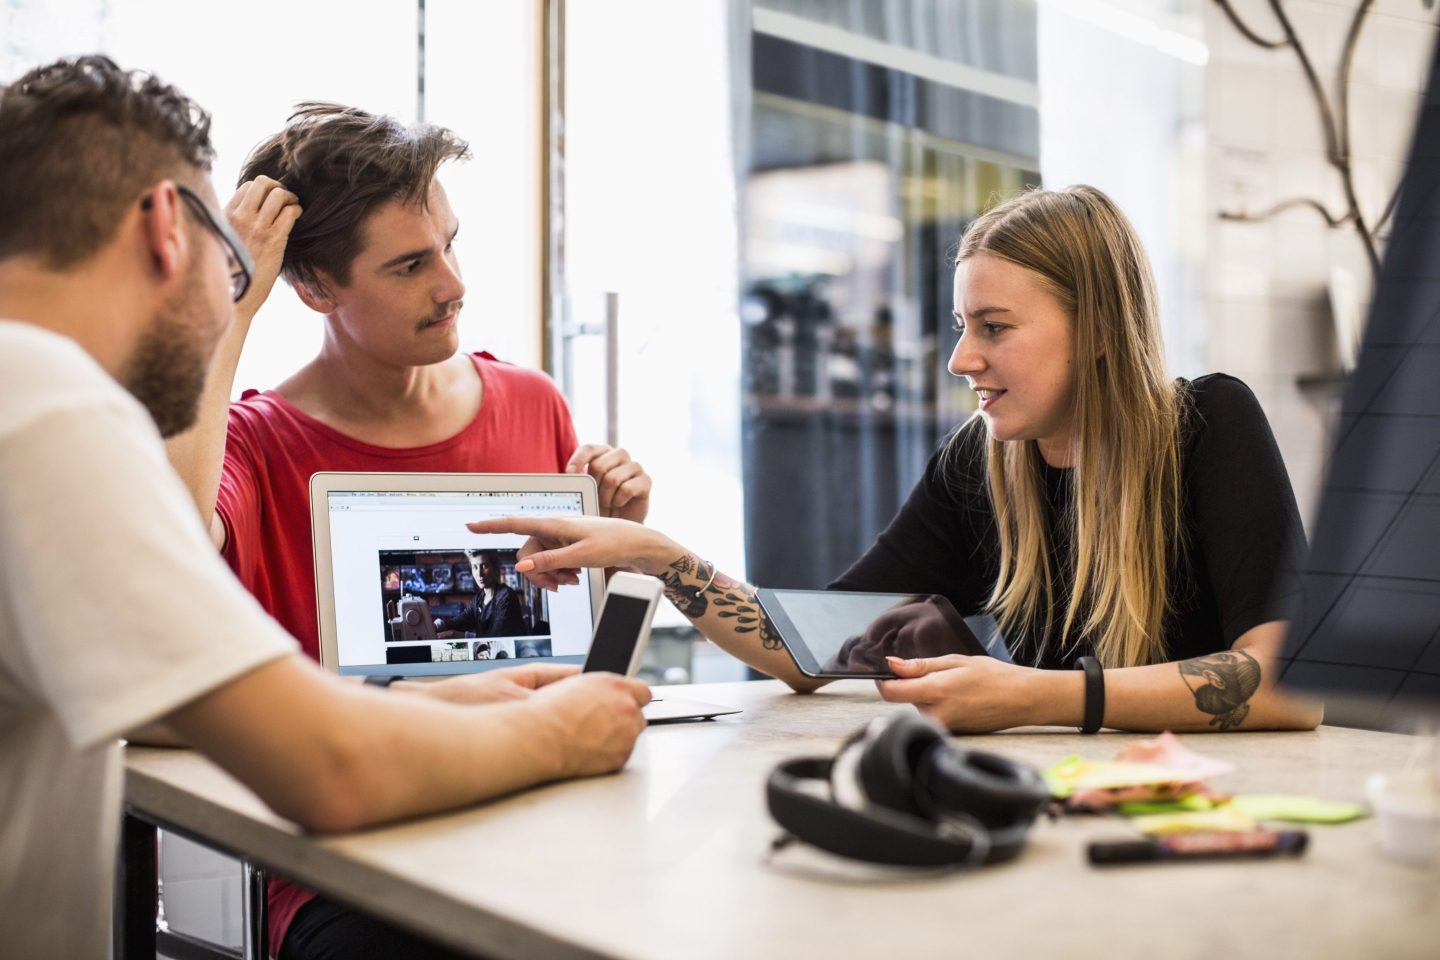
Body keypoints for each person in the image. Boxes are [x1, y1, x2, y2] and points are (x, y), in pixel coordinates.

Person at [0, 56, 649, 959]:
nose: (452, 283)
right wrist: (555, 730)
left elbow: (141, 693)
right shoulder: (38, 401)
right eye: (226, 261)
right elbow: (328, 771)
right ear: (166, 230)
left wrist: (438, 701)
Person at [472, 185, 1325, 735]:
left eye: (994, 328)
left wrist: (1039, 694)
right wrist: (660, 560)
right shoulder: (979, 467)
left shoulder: (1208, 423)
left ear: (1098, 331)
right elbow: (809, 652)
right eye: (962, 327)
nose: (962, 360)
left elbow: (1292, 682)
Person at [437, 549, 528, 637]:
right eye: (475, 567)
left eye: (484, 566)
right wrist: (438, 625)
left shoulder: (506, 597)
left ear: (495, 568)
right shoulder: (479, 598)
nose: (479, 574)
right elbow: (462, 621)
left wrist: (459, 635)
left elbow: (497, 638)